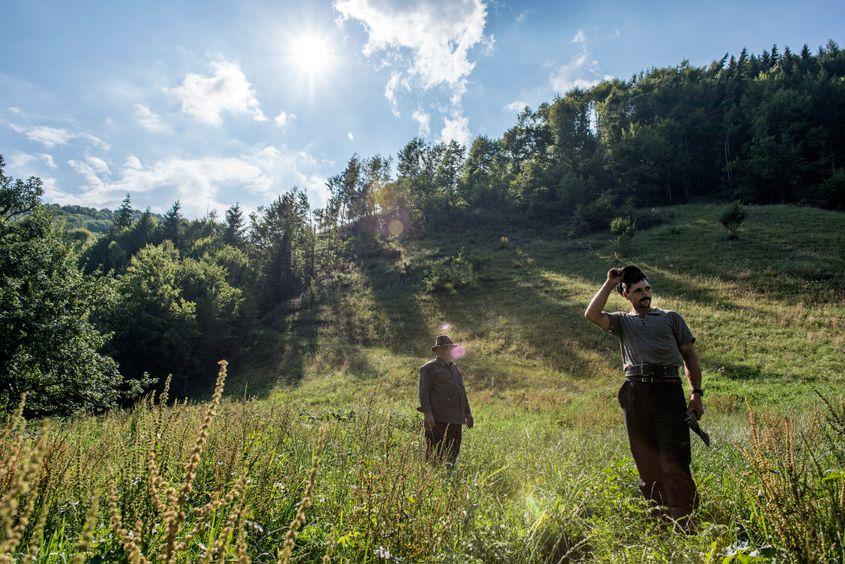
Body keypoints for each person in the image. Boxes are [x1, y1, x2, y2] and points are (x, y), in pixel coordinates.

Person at [584, 265, 704, 529]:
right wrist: (610, 282)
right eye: (638, 291)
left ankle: (686, 523)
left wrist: (696, 393)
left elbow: (690, 357)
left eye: (647, 289)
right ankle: (659, 523)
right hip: (635, 393)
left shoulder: (671, 318)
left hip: (668, 391)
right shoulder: (622, 322)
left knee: (674, 459)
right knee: (645, 460)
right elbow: (591, 314)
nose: (645, 294)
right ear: (625, 294)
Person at [418, 335, 474, 465]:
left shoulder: (454, 368)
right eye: (443, 348)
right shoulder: (429, 369)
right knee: (433, 455)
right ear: (437, 351)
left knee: (452, 455)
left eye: (449, 348)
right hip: (437, 420)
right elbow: (423, 392)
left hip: (456, 419)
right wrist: (427, 414)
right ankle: (431, 476)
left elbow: (461, 392)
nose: (447, 351)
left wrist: (468, 413)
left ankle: (448, 475)